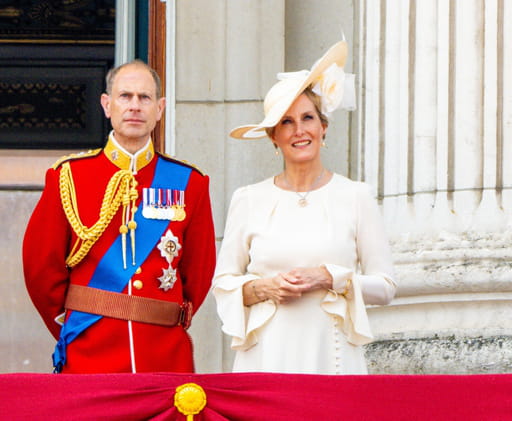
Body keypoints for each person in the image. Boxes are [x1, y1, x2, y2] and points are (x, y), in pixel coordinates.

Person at [212, 40, 396, 374]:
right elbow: (223, 284)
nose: (299, 131)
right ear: (273, 136)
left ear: (323, 127)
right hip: (266, 357)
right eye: (286, 122)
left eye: (307, 118)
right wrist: (263, 287)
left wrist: (328, 277)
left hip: (332, 356)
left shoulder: (356, 196)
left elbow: (385, 287)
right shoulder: (248, 199)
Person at [22, 60, 216, 373]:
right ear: (107, 104)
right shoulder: (69, 176)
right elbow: (41, 269)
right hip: (89, 352)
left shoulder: (189, 182)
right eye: (125, 96)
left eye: (145, 98)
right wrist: (76, 324)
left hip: (164, 355)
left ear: (160, 108)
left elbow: (199, 273)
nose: (135, 106)